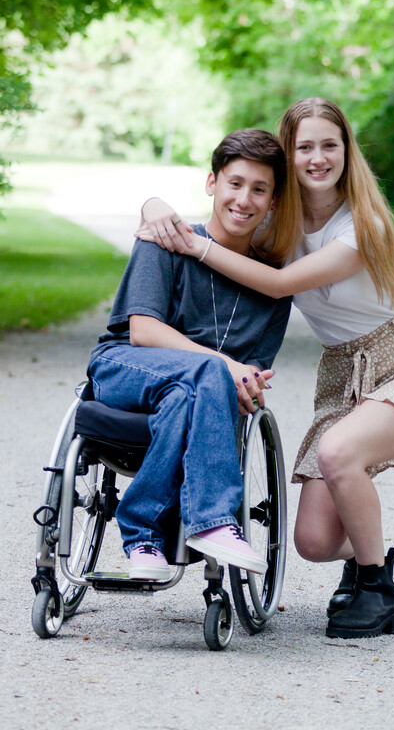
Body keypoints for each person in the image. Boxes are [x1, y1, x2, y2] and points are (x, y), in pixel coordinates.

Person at [137, 97, 394, 638]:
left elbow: (275, 284)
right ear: (288, 156)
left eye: (330, 145)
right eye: (304, 147)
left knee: (338, 452)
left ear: (347, 150)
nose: (318, 158)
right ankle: (370, 556)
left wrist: (194, 248)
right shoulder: (281, 222)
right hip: (346, 371)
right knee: (313, 542)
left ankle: (377, 590)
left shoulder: (364, 224)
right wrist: (155, 205)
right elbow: (230, 210)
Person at [88, 128, 298, 581]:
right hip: (125, 369)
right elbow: (142, 331)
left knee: (192, 392)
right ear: (212, 183)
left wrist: (249, 386)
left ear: (273, 202)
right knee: (206, 371)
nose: (244, 199)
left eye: (259, 189)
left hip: (190, 399)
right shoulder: (165, 237)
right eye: (235, 183)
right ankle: (216, 520)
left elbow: (254, 375)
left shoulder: (273, 286)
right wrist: (224, 367)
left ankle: (143, 536)